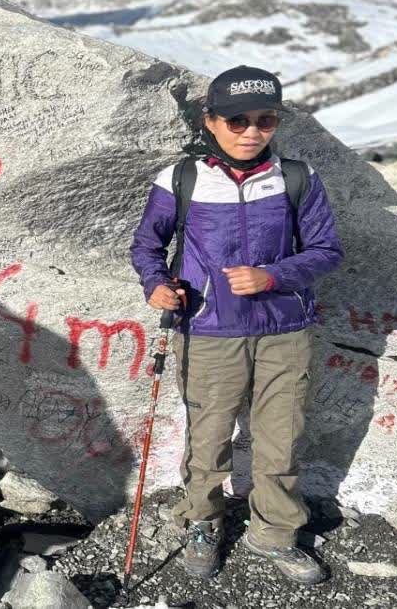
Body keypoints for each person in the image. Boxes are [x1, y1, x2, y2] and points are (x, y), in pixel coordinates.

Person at [130, 66, 343, 584]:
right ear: (211, 121)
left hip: (286, 331)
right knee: (208, 437)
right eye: (237, 120)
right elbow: (147, 246)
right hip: (207, 330)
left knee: (281, 438)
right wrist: (156, 285)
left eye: (265, 120)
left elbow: (326, 251)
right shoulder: (181, 178)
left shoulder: (297, 177)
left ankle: (275, 533)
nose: (251, 132)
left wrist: (271, 276)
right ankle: (202, 521)